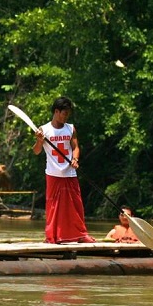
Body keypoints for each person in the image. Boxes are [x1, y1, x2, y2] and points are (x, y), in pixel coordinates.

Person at [33, 96, 95, 244]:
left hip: (69, 172)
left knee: (75, 204)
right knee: (53, 206)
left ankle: (80, 234)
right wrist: (39, 140)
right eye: (64, 113)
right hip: (53, 173)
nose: (66, 116)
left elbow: (75, 147)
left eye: (68, 113)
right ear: (56, 111)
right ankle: (52, 237)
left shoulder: (70, 128)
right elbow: (36, 151)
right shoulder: (44, 130)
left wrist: (75, 159)